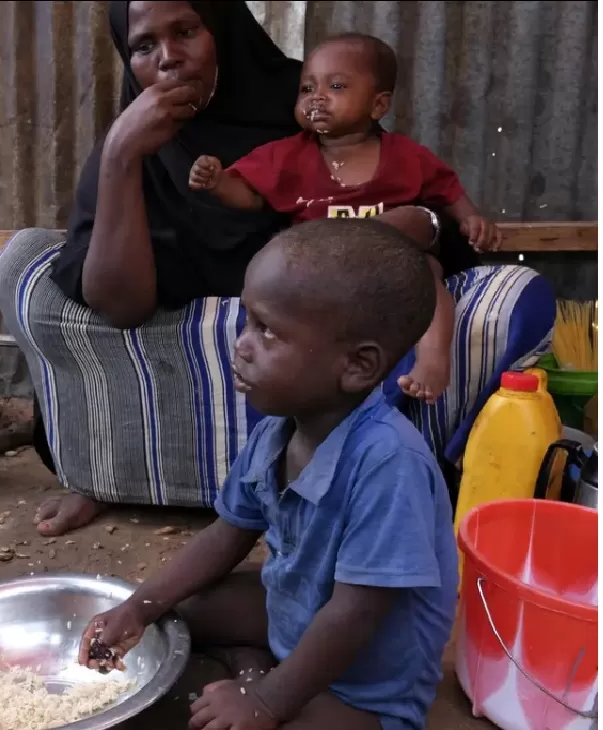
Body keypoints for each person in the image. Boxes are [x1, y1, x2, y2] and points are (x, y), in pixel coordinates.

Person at [0, 0, 554, 536]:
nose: (166, 57)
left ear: (222, 29)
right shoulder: (133, 139)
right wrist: (121, 155)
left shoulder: (309, 104)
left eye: (185, 31)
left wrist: (420, 225)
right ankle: (120, 476)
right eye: (143, 46)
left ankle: (363, 486)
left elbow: (407, 187)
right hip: (215, 329)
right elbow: (119, 304)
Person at [78, 219, 459, 730]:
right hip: (297, 609)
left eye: (268, 331)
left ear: (358, 366)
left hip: (364, 685)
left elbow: (356, 616)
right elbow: (227, 535)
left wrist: (266, 703)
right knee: (180, 608)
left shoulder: (389, 464)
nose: (242, 344)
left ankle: (265, 678)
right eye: (247, 321)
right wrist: (139, 606)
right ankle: (254, 662)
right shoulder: (279, 431)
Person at [188, 33, 502, 404]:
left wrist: (471, 218)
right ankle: (265, 372)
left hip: (394, 263)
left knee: (429, 277)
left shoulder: (405, 155)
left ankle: (433, 360)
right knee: (279, 297)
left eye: (336, 86)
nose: (316, 97)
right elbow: (251, 195)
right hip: (320, 270)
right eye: (307, 89)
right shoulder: (286, 156)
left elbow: (447, 189)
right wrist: (219, 182)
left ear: (378, 104)